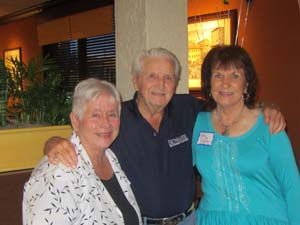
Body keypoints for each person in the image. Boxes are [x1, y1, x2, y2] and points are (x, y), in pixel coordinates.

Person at [44, 48, 285, 225]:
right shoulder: (116, 118)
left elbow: (229, 105)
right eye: (152, 76)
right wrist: (53, 142)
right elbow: (85, 138)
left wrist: (267, 108)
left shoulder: (189, 109)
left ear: (176, 83)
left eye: (168, 78)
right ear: (136, 80)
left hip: (189, 220)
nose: (161, 84)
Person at [192, 45, 300, 225]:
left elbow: (292, 186)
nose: (225, 83)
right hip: (211, 220)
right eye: (218, 75)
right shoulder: (197, 122)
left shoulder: (268, 125)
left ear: (246, 84)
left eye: (235, 75)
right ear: (208, 83)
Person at [23, 78, 142, 225]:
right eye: (95, 115)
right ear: (75, 121)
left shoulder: (110, 157)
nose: (105, 123)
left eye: (112, 114)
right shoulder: (59, 173)